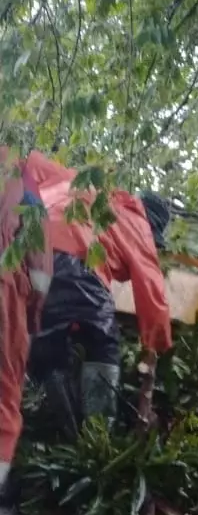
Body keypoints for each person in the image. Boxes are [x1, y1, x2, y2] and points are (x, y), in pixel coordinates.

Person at [23, 151, 172, 430]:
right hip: (69, 261)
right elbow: (153, 294)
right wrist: (158, 349)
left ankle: (62, 429)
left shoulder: (80, 184)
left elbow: (28, 163)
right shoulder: (135, 219)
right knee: (101, 340)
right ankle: (99, 432)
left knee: (47, 341)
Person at [0, 149, 52, 489]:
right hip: (4, 292)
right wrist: (33, 318)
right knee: (3, 400)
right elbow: (40, 271)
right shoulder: (23, 180)